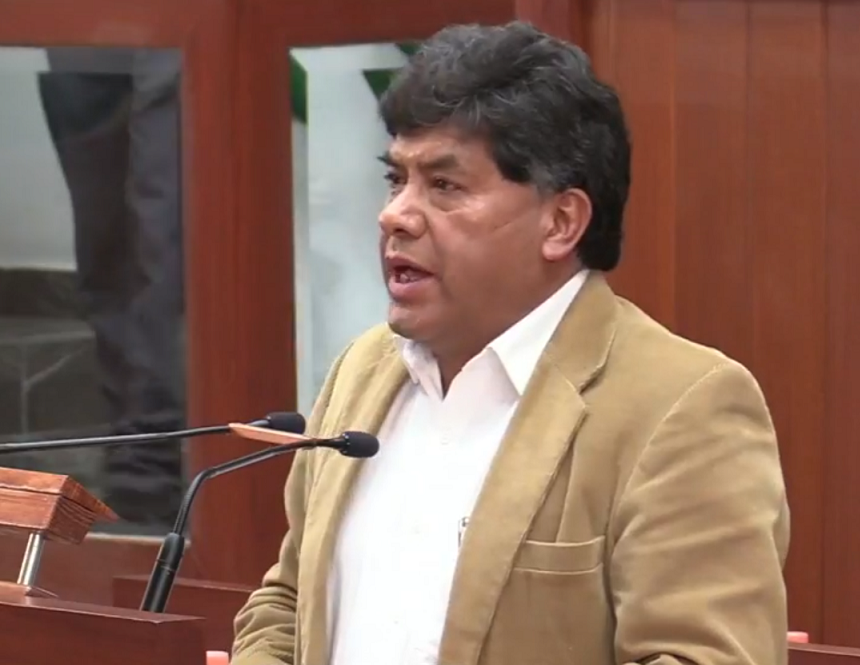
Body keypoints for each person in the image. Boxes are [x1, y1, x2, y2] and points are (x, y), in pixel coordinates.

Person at [230, 20, 789, 665]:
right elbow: (288, 602)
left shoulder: (680, 408)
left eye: (444, 185)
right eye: (396, 179)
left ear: (560, 222)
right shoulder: (363, 370)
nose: (395, 215)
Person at [37, 48, 186, 529]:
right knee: (100, 231)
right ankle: (132, 450)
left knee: (164, 229)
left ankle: (151, 460)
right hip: (77, 25)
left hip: (181, 26)